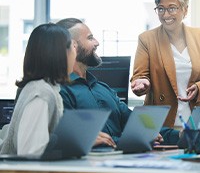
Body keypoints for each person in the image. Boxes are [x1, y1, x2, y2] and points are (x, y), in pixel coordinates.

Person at [56, 18, 176, 147]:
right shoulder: (60, 92)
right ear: (74, 45)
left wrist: (180, 135)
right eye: (90, 38)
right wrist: (139, 137)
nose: (97, 43)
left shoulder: (103, 89)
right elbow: (76, 140)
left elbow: (137, 124)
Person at [130, 0, 200, 129]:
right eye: (161, 9)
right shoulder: (147, 39)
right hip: (162, 125)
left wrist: (199, 88)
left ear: (185, 10)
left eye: (172, 8)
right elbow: (139, 76)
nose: (165, 14)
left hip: (198, 123)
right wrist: (143, 83)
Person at [0, 23, 76, 155]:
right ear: (60, 53)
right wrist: (71, 141)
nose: (76, 52)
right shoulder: (40, 93)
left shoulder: (47, 89)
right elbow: (30, 152)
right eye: (73, 46)